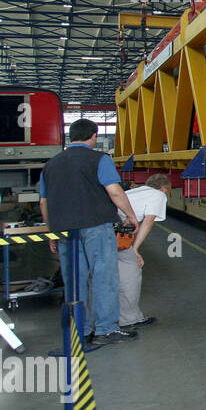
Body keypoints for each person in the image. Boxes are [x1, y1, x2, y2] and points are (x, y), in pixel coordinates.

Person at [39, 119, 141, 347]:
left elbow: (44, 203)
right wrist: (130, 215)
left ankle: (80, 332)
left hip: (65, 231)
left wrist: (51, 231)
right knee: (104, 277)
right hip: (96, 226)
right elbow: (114, 191)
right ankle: (105, 330)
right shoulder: (99, 159)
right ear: (94, 136)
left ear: (70, 137)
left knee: (75, 280)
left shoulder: (50, 165)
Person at [117, 173, 172, 329]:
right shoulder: (158, 195)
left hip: (104, 228)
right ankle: (129, 319)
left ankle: (110, 317)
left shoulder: (136, 192)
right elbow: (148, 222)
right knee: (131, 270)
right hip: (112, 231)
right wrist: (135, 249)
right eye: (168, 191)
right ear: (163, 188)